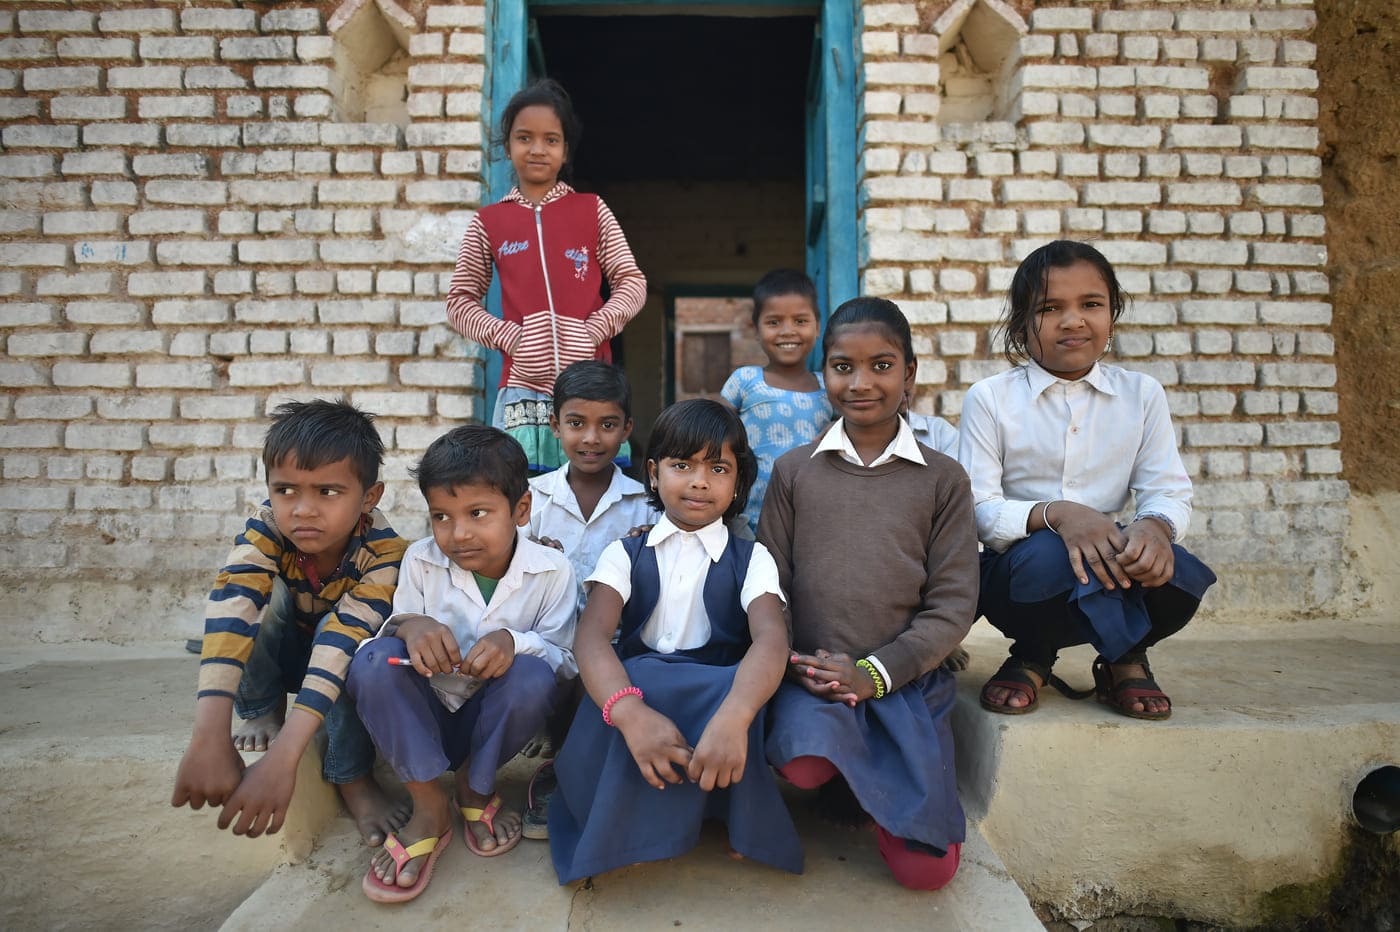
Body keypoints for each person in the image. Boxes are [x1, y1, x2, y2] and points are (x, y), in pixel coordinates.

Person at [760, 298, 978, 890]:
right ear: (823, 374)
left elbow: (954, 604)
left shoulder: (942, 478)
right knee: (802, 768)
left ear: (910, 374)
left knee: (927, 871)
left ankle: (872, 789)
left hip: (901, 682)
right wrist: (793, 663)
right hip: (815, 678)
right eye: (842, 366)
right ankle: (840, 774)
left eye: (881, 366)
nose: (860, 383)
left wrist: (876, 672)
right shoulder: (793, 471)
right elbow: (768, 588)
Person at [960, 240, 1216, 720]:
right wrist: (1057, 515)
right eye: (1050, 308)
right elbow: (979, 509)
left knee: (1177, 574)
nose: (1073, 320)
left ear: (1112, 316)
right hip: (1022, 576)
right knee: (1048, 558)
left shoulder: (1141, 394)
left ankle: (1123, 657)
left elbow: (1167, 487)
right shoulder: (990, 398)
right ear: (1020, 324)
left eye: (1091, 305)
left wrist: (1154, 526)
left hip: (1108, 560)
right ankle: (1033, 654)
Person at [549, 399, 801, 884]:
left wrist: (736, 716)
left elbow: (772, 640)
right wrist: (630, 713)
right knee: (632, 677)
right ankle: (631, 826)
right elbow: (592, 640)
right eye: (681, 465)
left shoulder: (753, 558)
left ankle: (712, 810)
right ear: (653, 471)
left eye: (718, 467)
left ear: (738, 482)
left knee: (741, 683)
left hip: (717, 701)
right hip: (640, 696)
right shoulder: (624, 552)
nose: (699, 481)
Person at [347, 426, 577, 902]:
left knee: (534, 674)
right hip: (424, 720)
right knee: (371, 661)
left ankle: (475, 788)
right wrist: (408, 626)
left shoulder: (552, 570)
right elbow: (391, 634)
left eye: (478, 513)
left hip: (489, 728)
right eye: (441, 516)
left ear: (520, 510)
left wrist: (514, 642)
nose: (459, 533)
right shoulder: (421, 560)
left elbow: (566, 660)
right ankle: (428, 805)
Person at [171, 400, 409, 847]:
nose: (303, 510)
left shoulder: (385, 552)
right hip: (282, 655)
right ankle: (262, 710)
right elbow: (233, 603)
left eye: (328, 492)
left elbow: (340, 642)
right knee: (263, 596)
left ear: (369, 498)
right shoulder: (266, 529)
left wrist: (283, 759)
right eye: (286, 490)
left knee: (360, 647)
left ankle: (351, 777)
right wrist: (210, 736)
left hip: (336, 661)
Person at [446, 78, 647, 472]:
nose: (538, 149)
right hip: (523, 390)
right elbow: (459, 302)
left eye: (551, 140)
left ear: (565, 149)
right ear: (508, 147)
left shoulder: (592, 210)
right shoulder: (489, 222)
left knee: (598, 485)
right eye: (525, 138)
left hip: (592, 383)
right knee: (525, 491)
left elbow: (632, 281)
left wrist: (593, 330)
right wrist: (512, 337)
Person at [522, 360, 659, 838]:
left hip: (617, 646)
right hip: (547, 642)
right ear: (555, 424)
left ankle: (581, 770)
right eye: (576, 423)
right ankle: (558, 765)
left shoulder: (646, 503)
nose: (591, 439)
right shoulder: (530, 501)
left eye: (607, 425)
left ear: (627, 429)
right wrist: (526, 553)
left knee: (603, 670)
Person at [720, 269, 832, 533]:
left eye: (800, 321)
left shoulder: (829, 385)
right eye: (774, 322)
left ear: (817, 327)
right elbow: (712, 432)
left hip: (813, 515)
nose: (787, 331)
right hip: (749, 517)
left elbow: (858, 427)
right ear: (756, 329)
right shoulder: (745, 380)